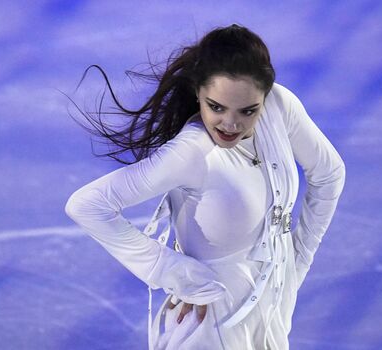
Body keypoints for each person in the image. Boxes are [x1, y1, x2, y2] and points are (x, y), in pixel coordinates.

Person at [65, 24, 346, 350]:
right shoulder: (190, 152)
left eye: (248, 111)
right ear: (198, 92)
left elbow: (329, 174)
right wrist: (173, 271)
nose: (230, 124)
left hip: (274, 310)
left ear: (264, 99)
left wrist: (298, 260)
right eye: (216, 107)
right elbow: (87, 205)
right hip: (211, 321)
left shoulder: (280, 108)